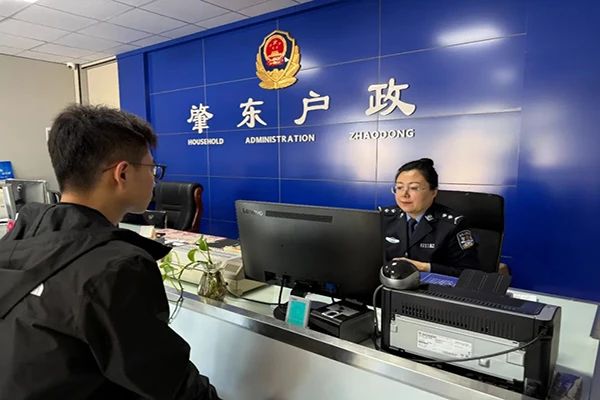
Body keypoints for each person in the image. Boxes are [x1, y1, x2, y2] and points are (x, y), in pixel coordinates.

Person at [0, 105, 221, 399]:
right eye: (152, 168)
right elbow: (165, 381)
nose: (155, 179)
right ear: (122, 173)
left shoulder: (20, 237)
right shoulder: (116, 266)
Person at [380, 158, 480, 276]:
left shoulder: (453, 225)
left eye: (413, 188)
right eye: (399, 187)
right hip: (388, 284)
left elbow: (469, 273)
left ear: (433, 192)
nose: (404, 194)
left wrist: (424, 267)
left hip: (432, 286)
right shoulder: (384, 218)